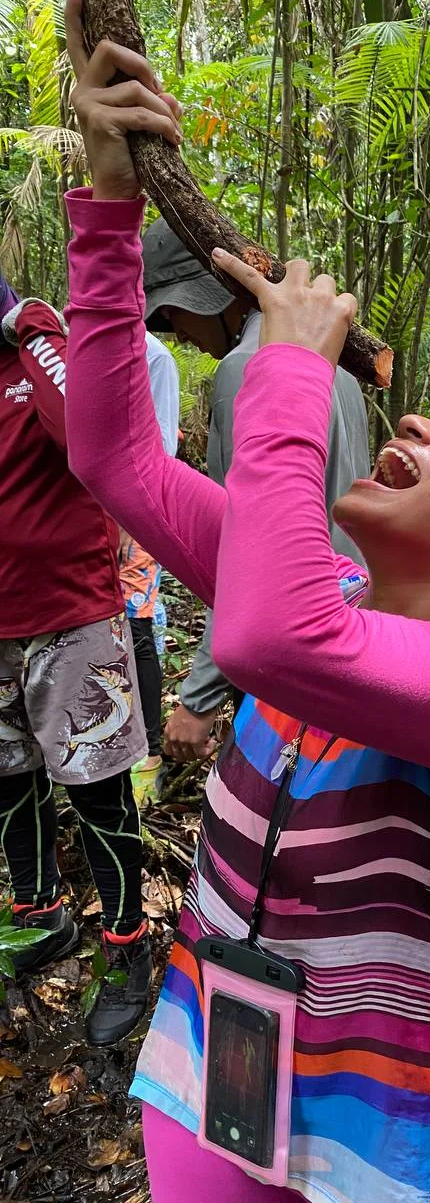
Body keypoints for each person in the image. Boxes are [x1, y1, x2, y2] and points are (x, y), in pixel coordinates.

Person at [64, 0, 430, 1203]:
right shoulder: (331, 582)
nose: (410, 420)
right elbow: (116, 461)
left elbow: (268, 634)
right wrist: (106, 201)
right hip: (218, 1061)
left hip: (391, 1136)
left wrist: (292, 367)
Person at [140, 219, 369, 766]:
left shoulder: (246, 367)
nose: (181, 333)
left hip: (285, 646)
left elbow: (246, 544)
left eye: (175, 314)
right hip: (349, 626)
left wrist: (198, 698)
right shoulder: (335, 364)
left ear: (217, 299)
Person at [0, 292, 152, 1048]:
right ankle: (41, 913)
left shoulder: (38, 349)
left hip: (70, 618)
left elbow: (89, 438)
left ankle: (127, 943)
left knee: (96, 790)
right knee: (8, 779)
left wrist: (32, 327)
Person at [122, 330, 180, 802]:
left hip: (136, 511)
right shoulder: (70, 348)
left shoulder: (153, 357)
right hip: (87, 513)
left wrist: (132, 517)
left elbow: (160, 447)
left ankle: (150, 753)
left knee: (137, 628)